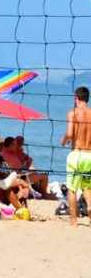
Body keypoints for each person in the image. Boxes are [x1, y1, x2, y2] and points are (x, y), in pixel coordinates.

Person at [61, 86, 91, 226]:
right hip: (89, 155)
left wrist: (63, 141)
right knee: (87, 187)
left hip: (77, 154)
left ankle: (73, 220)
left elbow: (70, 133)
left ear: (76, 98)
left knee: (72, 189)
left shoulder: (73, 113)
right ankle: (90, 209)